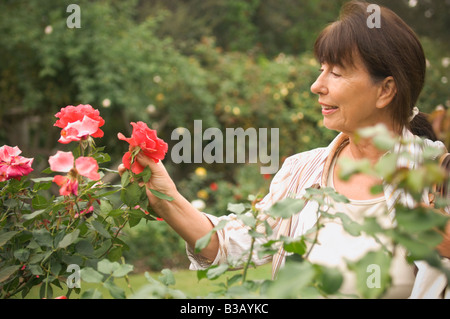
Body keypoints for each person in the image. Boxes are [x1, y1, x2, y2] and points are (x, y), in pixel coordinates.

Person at [119, 1, 449, 298]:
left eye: (335, 72)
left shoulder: (436, 179)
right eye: (321, 69)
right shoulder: (300, 173)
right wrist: (165, 198)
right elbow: (231, 245)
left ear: (385, 90)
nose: (316, 85)